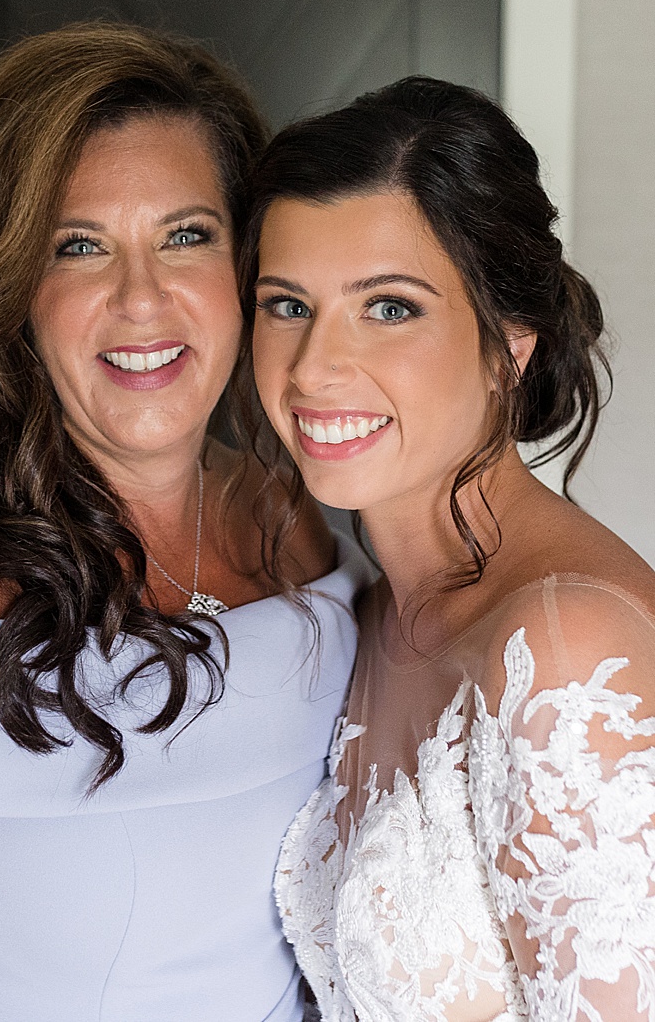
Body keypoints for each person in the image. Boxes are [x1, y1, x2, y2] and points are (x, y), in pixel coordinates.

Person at [0, 22, 368, 1021]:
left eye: (186, 235)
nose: (142, 298)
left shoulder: (290, 515)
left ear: (247, 266)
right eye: (78, 246)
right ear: (11, 287)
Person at [258, 79, 652, 1019]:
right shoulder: (365, 603)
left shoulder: (565, 650)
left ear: (508, 343)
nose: (314, 368)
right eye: (286, 305)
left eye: (389, 307)